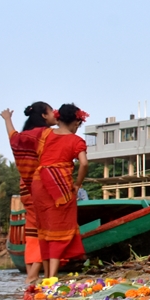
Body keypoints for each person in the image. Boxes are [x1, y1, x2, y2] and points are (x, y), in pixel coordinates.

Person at [31, 104, 89, 278]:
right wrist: (78, 183)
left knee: (45, 229)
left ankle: (47, 274)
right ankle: (52, 277)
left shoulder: (45, 134)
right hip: (59, 185)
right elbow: (84, 163)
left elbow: (22, 140)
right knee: (60, 228)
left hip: (39, 182)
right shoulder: (76, 140)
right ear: (76, 122)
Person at [1, 102, 56, 284]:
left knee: (32, 232)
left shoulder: (20, 138)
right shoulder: (46, 134)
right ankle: (36, 276)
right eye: (51, 111)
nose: (54, 114)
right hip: (42, 187)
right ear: (43, 116)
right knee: (46, 232)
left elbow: (11, 134)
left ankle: (31, 276)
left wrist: (7, 119)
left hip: (25, 188)